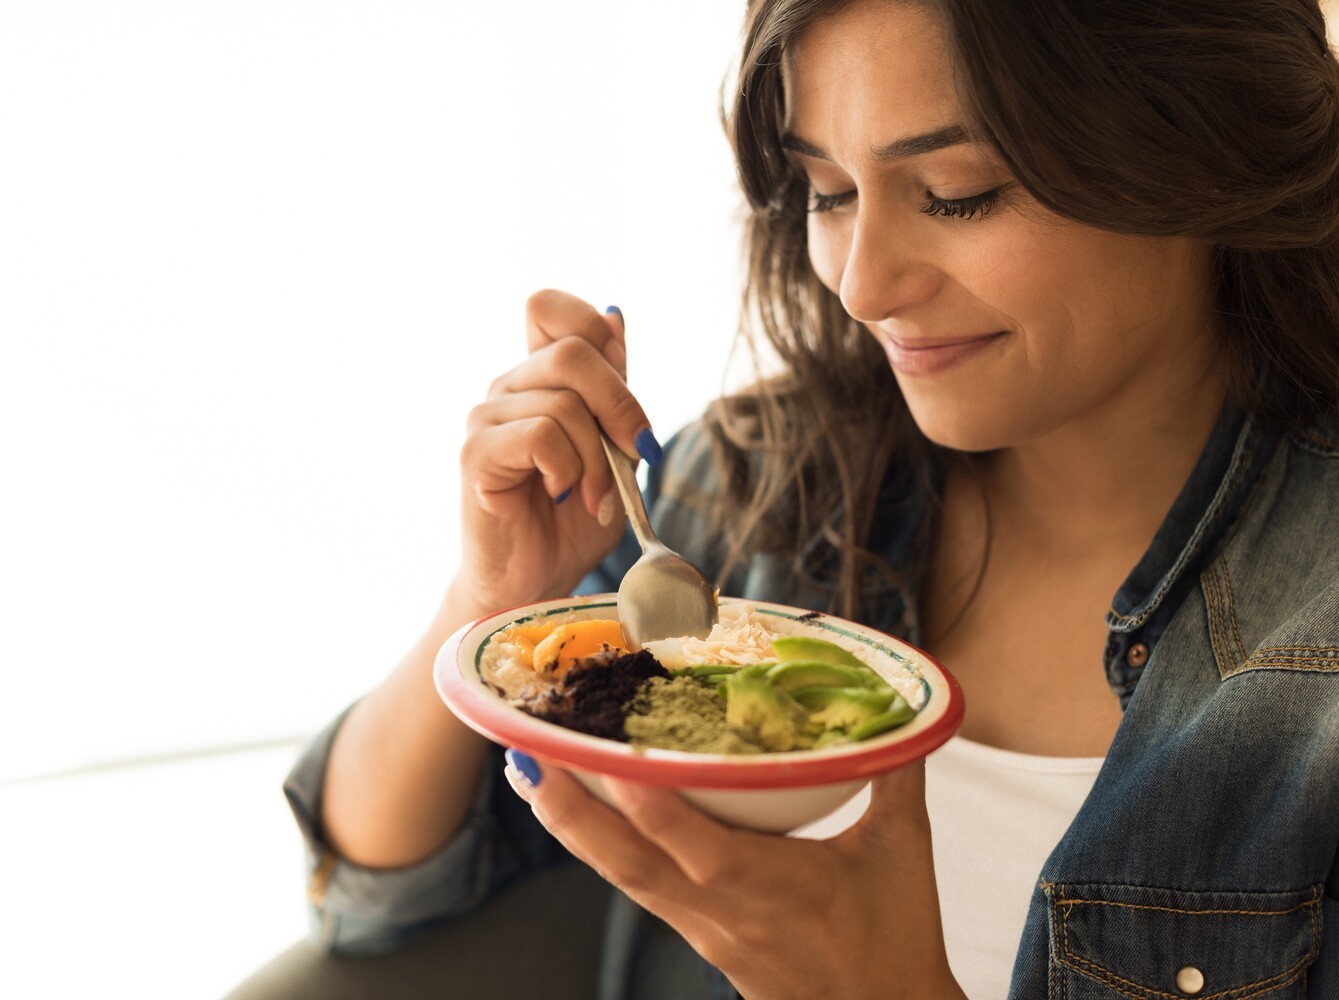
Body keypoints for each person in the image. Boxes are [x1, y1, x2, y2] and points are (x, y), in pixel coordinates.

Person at [254, 0, 1339, 996]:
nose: (862, 282)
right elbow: (374, 899)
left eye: (957, 193)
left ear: (1203, 147)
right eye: (828, 191)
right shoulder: (746, 497)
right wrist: (488, 599)